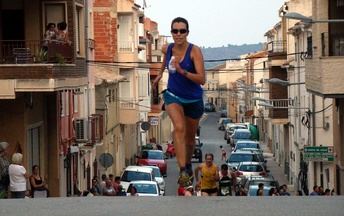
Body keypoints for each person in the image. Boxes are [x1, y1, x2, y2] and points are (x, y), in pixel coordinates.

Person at [152, 17, 205, 187]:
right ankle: (183, 170)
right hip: (173, 95)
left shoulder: (194, 51)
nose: (179, 34)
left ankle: (188, 165)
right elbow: (165, 60)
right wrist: (160, 73)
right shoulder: (167, 49)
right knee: (179, 128)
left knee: (190, 140)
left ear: (187, 33)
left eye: (182, 31)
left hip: (193, 98)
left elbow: (202, 79)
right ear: (172, 33)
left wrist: (182, 71)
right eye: (175, 31)